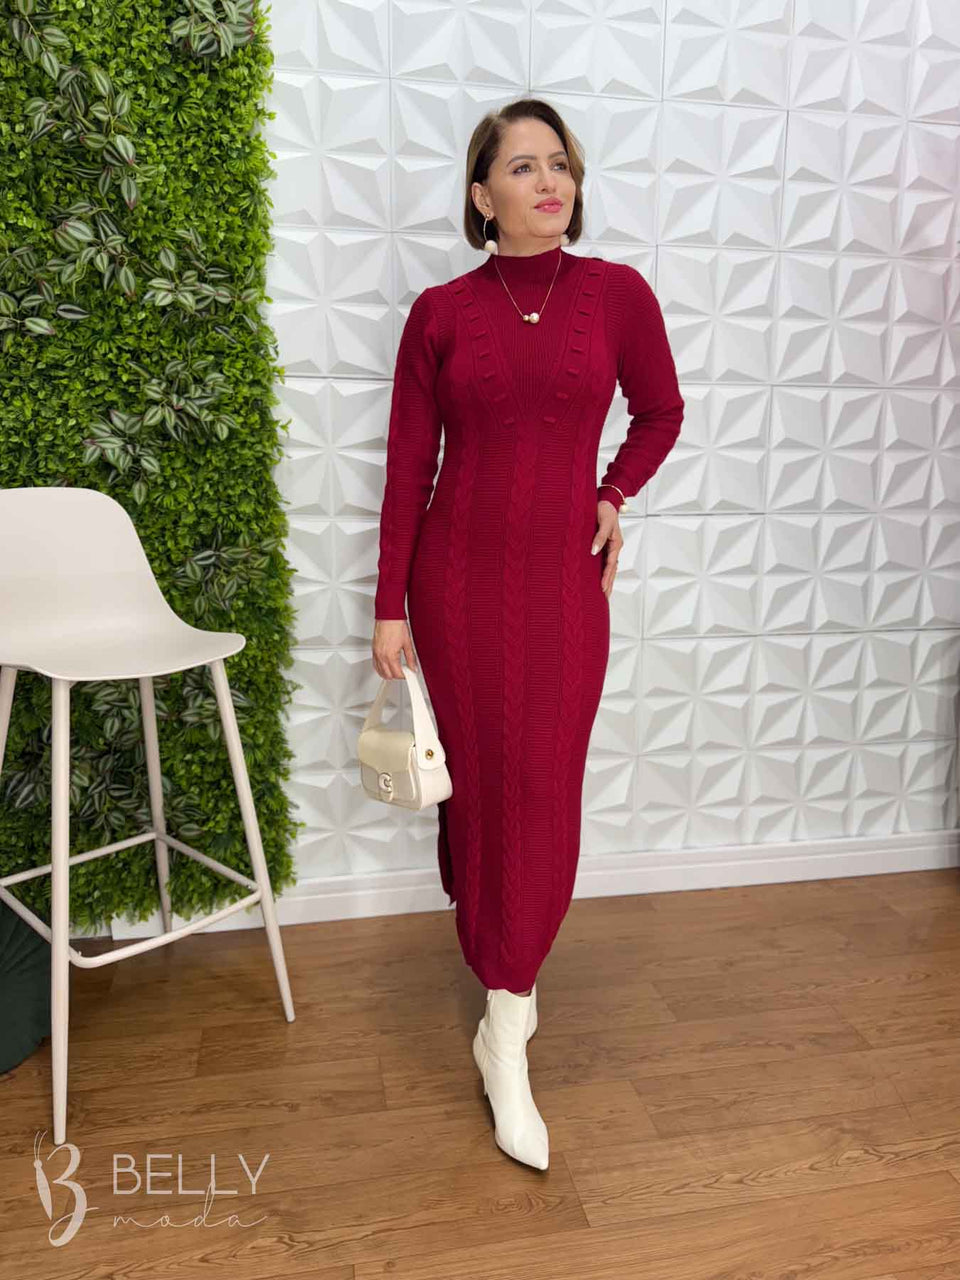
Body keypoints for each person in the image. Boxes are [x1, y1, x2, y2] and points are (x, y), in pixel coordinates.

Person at [370, 99, 684, 1170]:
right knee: (485, 793)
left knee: (540, 791)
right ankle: (505, 1012)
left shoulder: (618, 296)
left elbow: (662, 410)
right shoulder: (441, 314)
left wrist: (613, 493)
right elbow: (408, 468)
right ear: (481, 195)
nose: (549, 181)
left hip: (560, 588)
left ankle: (507, 1011)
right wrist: (388, 604)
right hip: (453, 585)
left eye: (561, 164)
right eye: (522, 166)